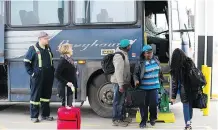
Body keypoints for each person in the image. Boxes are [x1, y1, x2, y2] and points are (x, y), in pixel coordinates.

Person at [24, 32, 55, 123]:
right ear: (40, 39)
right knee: (35, 96)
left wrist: (52, 72)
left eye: (47, 38)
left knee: (46, 96)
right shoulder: (33, 49)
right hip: (37, 77)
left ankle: (45, 115)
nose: (47, 40)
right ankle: (34, 116)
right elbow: (26, 63)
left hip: (48, 76)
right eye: (46, 39)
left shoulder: (48, 48)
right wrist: (32, 74)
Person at [133, 45, 164, 128]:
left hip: (154, 86)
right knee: (143, 105)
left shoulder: (156, 59)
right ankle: (143, 121)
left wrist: (161, 80)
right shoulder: (140, 62)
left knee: (154, 103)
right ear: (144, 54)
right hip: (143, 87)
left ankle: (153, 118)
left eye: (151, 53)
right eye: (147, 53)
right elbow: (135, 74)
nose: (149, 54)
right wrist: (136, 80)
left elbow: (159, 71)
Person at [170, 48, 196, 130]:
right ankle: (189, 121)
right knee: (190, 105)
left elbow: (175, 83)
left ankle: (187, 124)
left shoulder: (176, 66)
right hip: (192, 88)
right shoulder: (190, 62)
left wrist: (173, 96)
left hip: (183, 88)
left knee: (186, 105)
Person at [111, 39, 132, 127]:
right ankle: (116, 119)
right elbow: (118, 71)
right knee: (118, 101)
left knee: (122, 101)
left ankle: (122, 117)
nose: (130, 47)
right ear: (127, 47)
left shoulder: (124, 54)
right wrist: (120, 85)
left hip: (123, 82)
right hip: (118, 83)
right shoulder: (119, 56)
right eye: (129, 45)